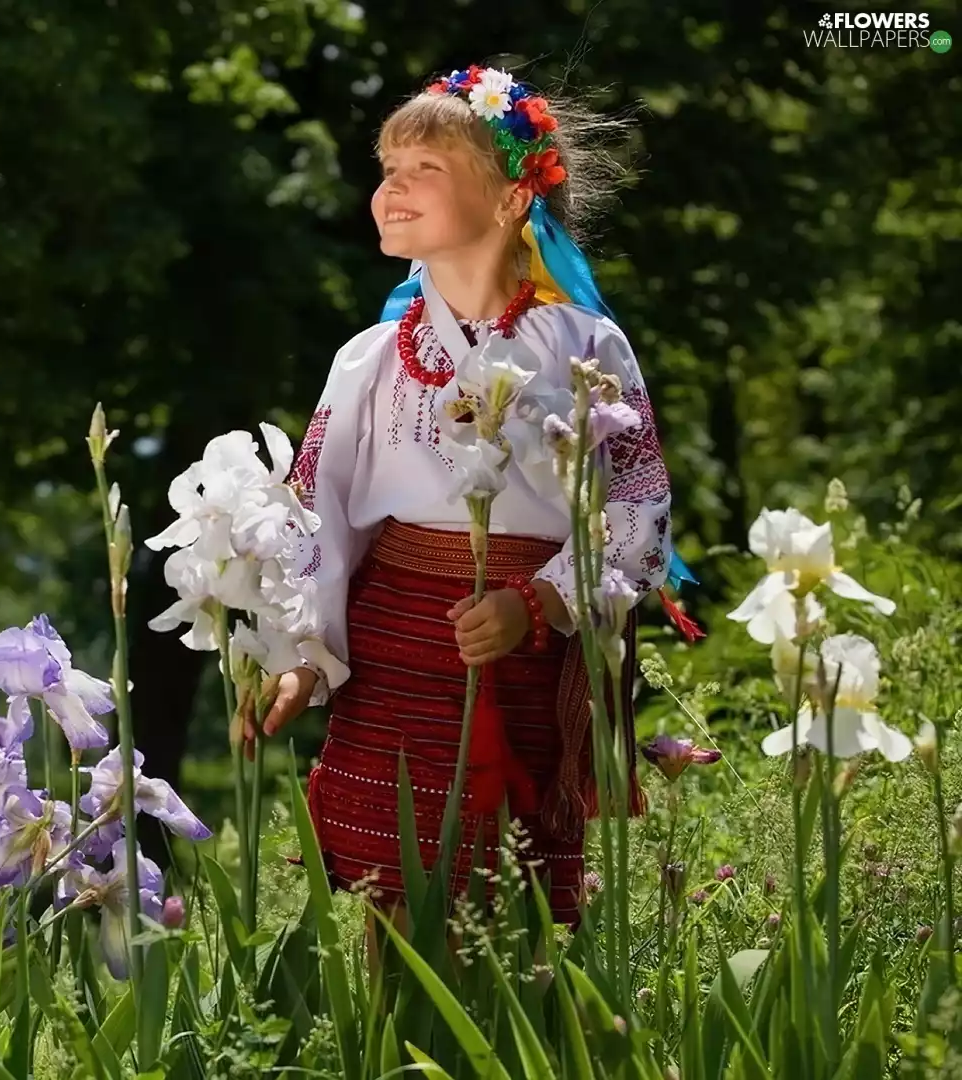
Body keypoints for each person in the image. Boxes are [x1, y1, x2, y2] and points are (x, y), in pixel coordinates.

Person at [254, 64, 695, 929]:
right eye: (387, 170)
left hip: (528, 655)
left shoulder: (583, 344)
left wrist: (541, 602)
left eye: (426, 169)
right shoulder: (369, 359)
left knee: (521, 905)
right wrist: (299, 652)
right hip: (393, 656)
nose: (393, 189)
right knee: (393, 900)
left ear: (509, 201)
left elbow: (638, 510)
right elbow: (316, 514)